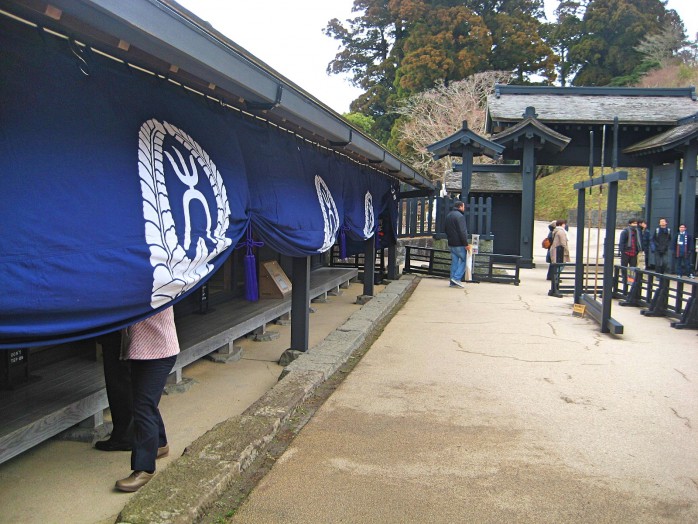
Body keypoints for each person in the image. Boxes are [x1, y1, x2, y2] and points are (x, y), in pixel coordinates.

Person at [114, 307, 180, 493]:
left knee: (143, 407)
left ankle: (144, 468)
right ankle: (160, 444)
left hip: (159, 351)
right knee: (144, 402)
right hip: (142, 350)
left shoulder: (154, 281)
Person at [444, 200, 472, 288]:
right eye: (463, 206)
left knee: (455, 262)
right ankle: (456, 278)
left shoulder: (448, 215)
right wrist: (466, 244)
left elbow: (445, 229)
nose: (464, 208)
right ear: (460, 206)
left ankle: (452, 282)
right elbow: (462, 232)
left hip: (451, 243)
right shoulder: (460, 216)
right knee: (465, 260)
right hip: (459, 244)